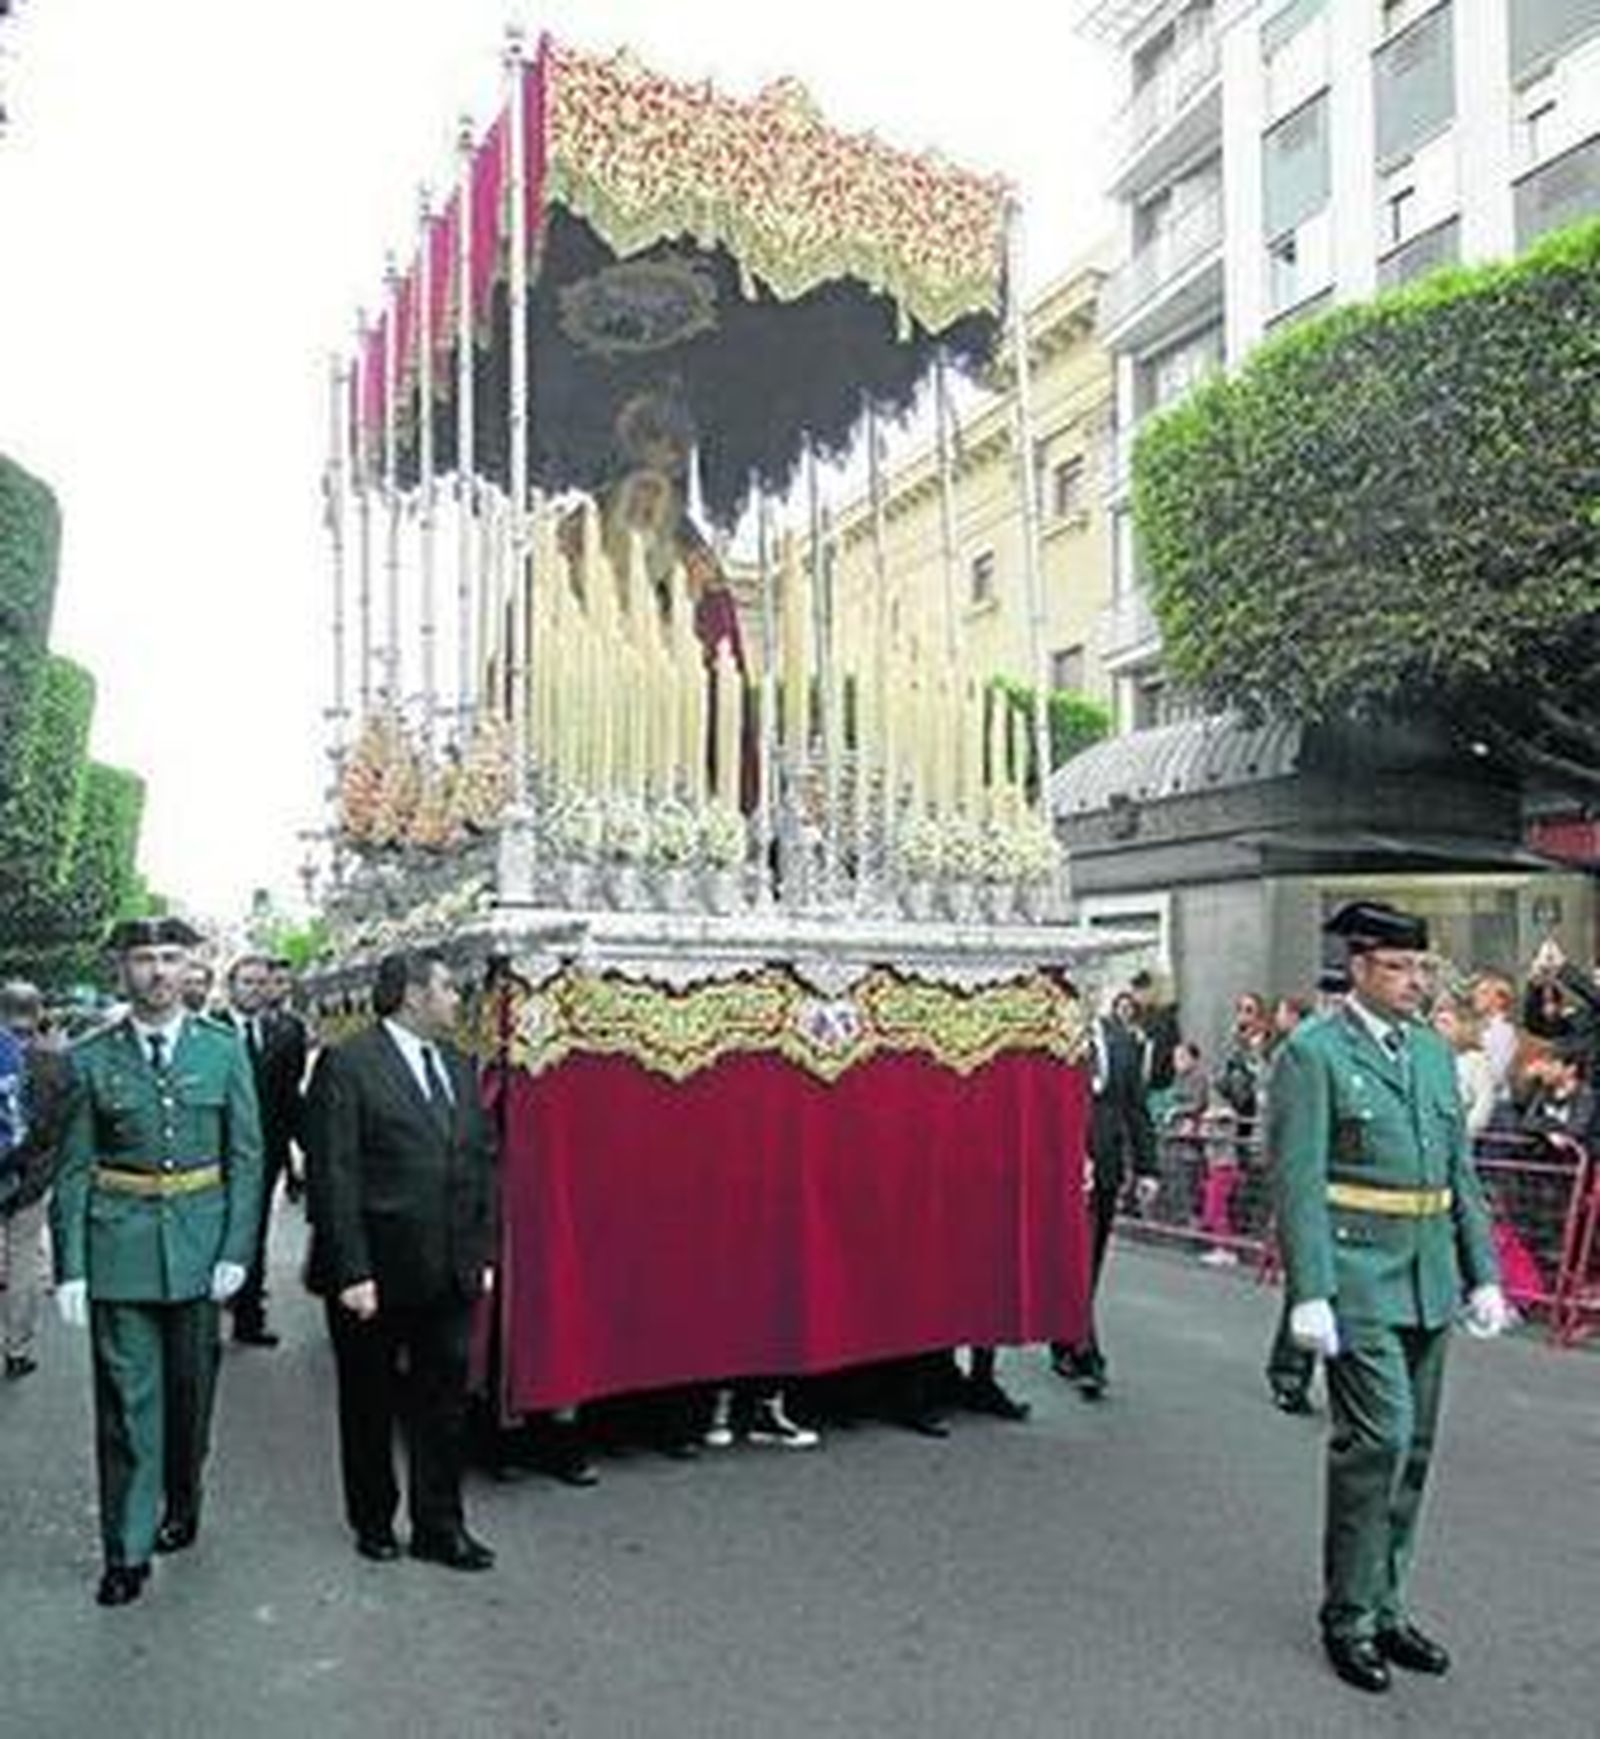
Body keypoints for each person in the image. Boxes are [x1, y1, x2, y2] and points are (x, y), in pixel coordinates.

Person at [1269, 899, 1508, 1694]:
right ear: (1361, 967)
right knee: (1378, 1440)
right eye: (1400, 967)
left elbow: (1459, 1175)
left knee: (1416, 1451)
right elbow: (1299, 1176)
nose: (1416, 981)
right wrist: (1309, 1291)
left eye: (1422, 967)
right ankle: (1347, 1614)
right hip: (1357, 1276)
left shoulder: (1435, 1055)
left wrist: (1485, 1274)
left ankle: (1386, 1603)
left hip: (1429, 1273)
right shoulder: (1313, 1052)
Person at [50, 916, 264, 1606]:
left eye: (170, 957)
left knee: (190, 1399)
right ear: (123, 970)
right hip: (120, 1250)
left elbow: (246, 1156)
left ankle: (184, 1497)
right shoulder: (90, 1058)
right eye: (143, 958)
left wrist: (237, 1248)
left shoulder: (222, 1050)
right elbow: (75, 1167)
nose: (157, 971)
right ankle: (126, 1547)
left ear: (190, 968)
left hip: (201, 1248)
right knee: (124, 1404)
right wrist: (72, 1266)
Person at [304, 948, 498, 1571]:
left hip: (449, 1267)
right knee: (370, 1401)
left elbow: (478, 1164)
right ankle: (373, 1518)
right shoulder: (348, 1063)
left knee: (443, 1404)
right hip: (376, 1273)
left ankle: (441, 1526)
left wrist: (480, 1250)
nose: (457, 1000)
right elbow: (334, 1173)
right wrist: (352, 1270)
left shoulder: (459, 1065)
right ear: (413, 994)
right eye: (447, 988)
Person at [1051, 988, 1158, 1399]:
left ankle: (1067, 1336)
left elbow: (1136, 1107)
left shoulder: (1123, 1041)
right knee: (1073, 1257)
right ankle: (1084, 1352)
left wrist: (1147, 1166)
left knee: (1090, 1260)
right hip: (1063, 1170)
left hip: (1108, 1166)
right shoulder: (1054, 1037)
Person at [218, 953, 306, 1346]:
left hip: (266, 1149)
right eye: (247, 982)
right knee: (213, 1230)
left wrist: (306, 1150)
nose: (255, 989)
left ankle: (249, 1317)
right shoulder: (210, 1031)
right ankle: (204, 1319)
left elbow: (290, 1096)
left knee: (253, 1230)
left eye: (261, 982)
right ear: (230, 987)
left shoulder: (286, 1031)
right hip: (214, 1152)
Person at [1, 983, 71, 1379]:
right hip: (31, 1176)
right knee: (23, 1259)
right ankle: (17, 1348)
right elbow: (60, 1123)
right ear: (39, 1009)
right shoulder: (57, 1059)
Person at [1430, 999, 1495, 1139]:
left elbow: (1484, 1102)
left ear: (1462, 1026)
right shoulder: (1426, 1055)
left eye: (1446, 1022)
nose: (1438, 1027)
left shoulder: (1476, 1060)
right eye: (1437, 1022)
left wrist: (1464, 1132)